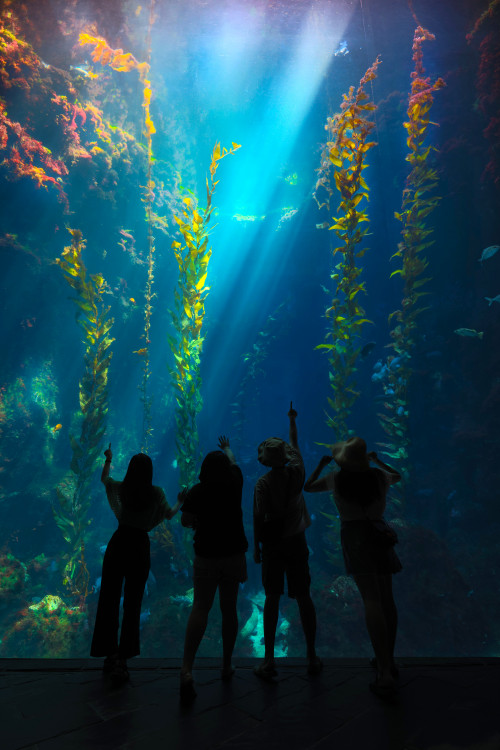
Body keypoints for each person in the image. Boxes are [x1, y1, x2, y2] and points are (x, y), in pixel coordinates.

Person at [304, 436, 402, 697]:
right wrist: (377, 460)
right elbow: (397, 476)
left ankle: (383, 671)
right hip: (381, 534)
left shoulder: (336, 478)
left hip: (355, 537)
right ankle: (389, 661)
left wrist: (322, 465)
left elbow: (309, 487)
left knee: (371, 600)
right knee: (387, 599)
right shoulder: (379, 477)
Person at [91, 444, 181, 682]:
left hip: (119, 542)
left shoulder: (123, 489)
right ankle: (123, 660)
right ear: (150, 472)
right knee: (133, 603)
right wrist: (180, 501)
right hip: (139, 547)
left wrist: (108, 458)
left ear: (130, 469)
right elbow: (169, 514)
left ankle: (109, 654)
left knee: (109, 598)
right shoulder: (157, 493)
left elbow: (105, 479)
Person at [253, 403, 321, 679]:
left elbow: (258, 518)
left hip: (272, 545)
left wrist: (256, 546)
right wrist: (292, 419)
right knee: (304, 596)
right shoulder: (298, 471)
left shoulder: (262, 484)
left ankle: (269, 659)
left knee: (271, 597)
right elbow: (293, 442)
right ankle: (312, 655)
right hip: (296, 541)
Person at [179, 435, 248, 702]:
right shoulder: (236, 483)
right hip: (232, 555)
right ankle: (227, 664)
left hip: (206, 556)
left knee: (201, 607)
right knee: (229, 609)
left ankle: (186, 669)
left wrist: (195, 520)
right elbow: (233, 463)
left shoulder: (198, 490)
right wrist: (228, 447)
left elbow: (185, 521)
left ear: (204, 470)